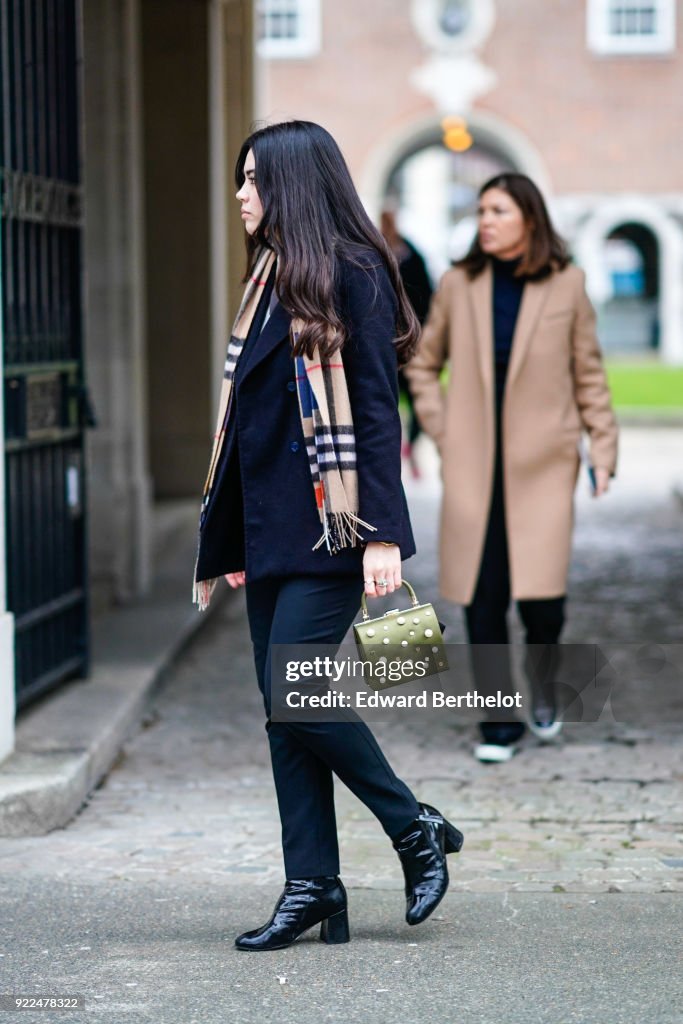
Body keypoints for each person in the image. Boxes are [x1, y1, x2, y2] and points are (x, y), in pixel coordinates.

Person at [193, 121, 464, 951]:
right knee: (285, 716)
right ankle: (312, 885)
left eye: (252, 179)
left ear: (292, 185)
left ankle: (411, 824)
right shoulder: (270, 276)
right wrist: (229, 541)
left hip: (334, 528)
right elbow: (250, 423)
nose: (240, 193)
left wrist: (382, 532)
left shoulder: (355, 273)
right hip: (268, 532)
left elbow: (377, 410)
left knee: (297, 695)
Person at [405, 173, 618, 763]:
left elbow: (589, 375)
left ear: (529, 217)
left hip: (544, 467)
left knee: (542, 599)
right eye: (481, 211)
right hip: (474, 468)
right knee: (482, 595)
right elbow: (422, 364)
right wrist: (443, 431)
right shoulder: (458, 283)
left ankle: (544, 685)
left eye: (498, 210)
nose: (486, 221)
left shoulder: (567, 285)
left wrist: (603, 447)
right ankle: (498, 722)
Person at [380, 207, 433, 477]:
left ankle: (410, 446)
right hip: (384, 342)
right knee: (387, 399)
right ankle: (398, 449)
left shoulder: (412, 255)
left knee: (415, 397)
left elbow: (427, 293)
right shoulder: (375, 254)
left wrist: (421, 328)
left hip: (410, 340)